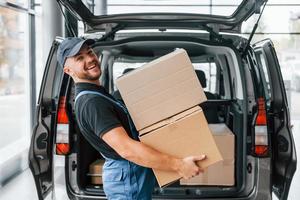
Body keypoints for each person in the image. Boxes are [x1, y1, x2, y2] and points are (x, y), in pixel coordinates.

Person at [57, 37, 206, 200]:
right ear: (68, 70)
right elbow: (126, 149)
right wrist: (179, 166)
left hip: (131, 174)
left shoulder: (100, 94)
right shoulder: (92, 102)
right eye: (80, 58)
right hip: (127, 178)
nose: (90, 59)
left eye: (90, 52)